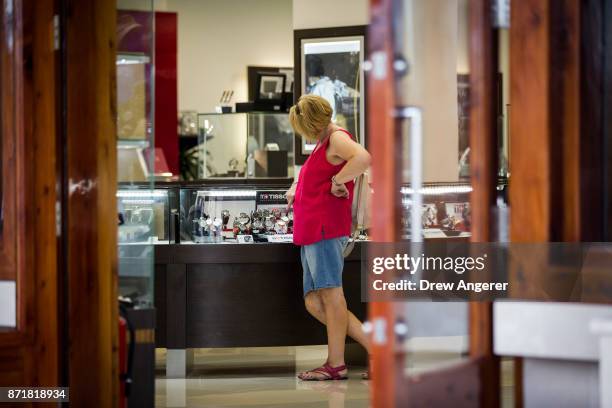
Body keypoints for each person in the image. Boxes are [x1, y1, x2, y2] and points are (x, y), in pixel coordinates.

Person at [286, 94, 371, 381]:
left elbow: (363, 157)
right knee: (315, 301)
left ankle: (336, 364)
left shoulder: (336, 138)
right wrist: (296, 189)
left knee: (331, 296)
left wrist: (337, 181)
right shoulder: (324, 142)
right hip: (312, 230)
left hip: (324, 229)